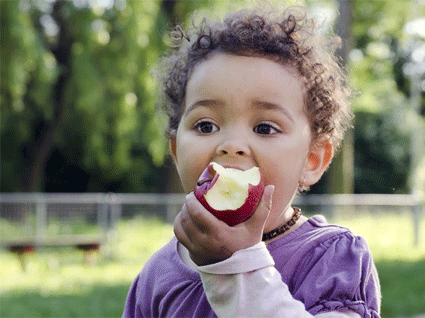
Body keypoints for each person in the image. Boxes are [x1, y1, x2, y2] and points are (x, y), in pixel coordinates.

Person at [123, 5, 381, 318]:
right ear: (176, 152)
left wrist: (235, 265)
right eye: (206, 126)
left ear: (312, 160)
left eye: (264, 128)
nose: (231, 146)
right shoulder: (158, 275)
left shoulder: (332, 258)